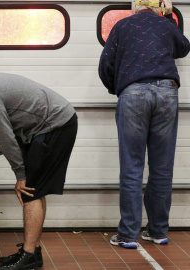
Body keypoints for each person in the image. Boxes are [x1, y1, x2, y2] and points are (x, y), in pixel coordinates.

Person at [0, 61, 77, 270]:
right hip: (49, 124)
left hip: (55, 124)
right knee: (35, 189)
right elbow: (14, 133)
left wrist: (20, 174)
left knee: (30, 189)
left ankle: (29, 256)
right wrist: (22, 171)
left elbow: (5, 137)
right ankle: (33, 251)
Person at [98, 0, 190, 249]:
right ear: (159, 8)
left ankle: (128, 235)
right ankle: (158, 232)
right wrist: (170, 17)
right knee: (162, 167)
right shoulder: (165, 24)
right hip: (168, 93)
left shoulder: (122, 25)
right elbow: (183, 48)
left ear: (135, 7)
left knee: (132, 166)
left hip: (133, 94)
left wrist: (118, 89)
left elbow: (106, 64)